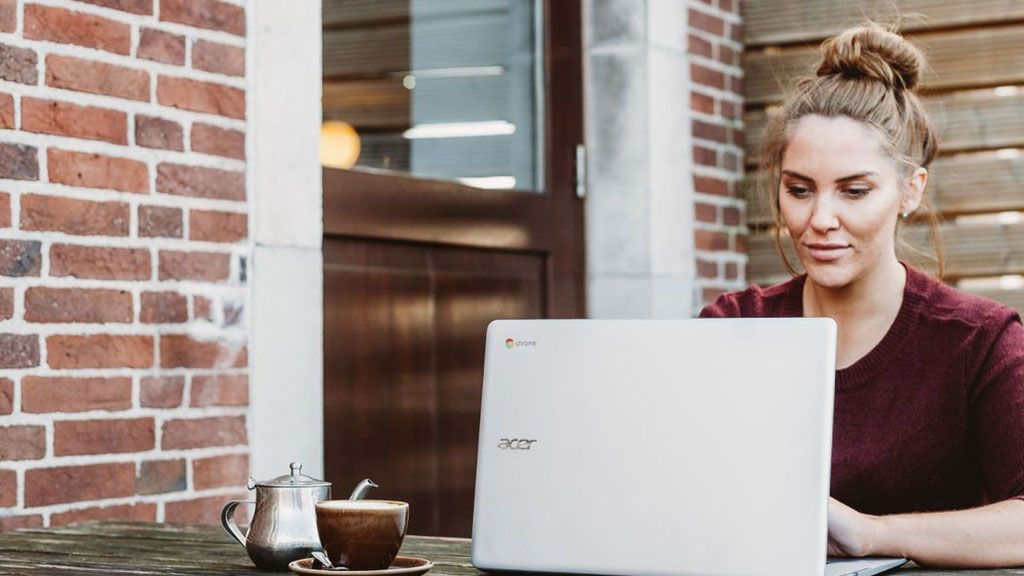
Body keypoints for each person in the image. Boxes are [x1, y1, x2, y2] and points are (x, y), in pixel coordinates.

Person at [700, 23, 1024, 568]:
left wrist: (872, 533)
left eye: (854, 191)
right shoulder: (734, 325)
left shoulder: (981, 342)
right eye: (799, 190)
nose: (820, 220)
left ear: (910, 191)